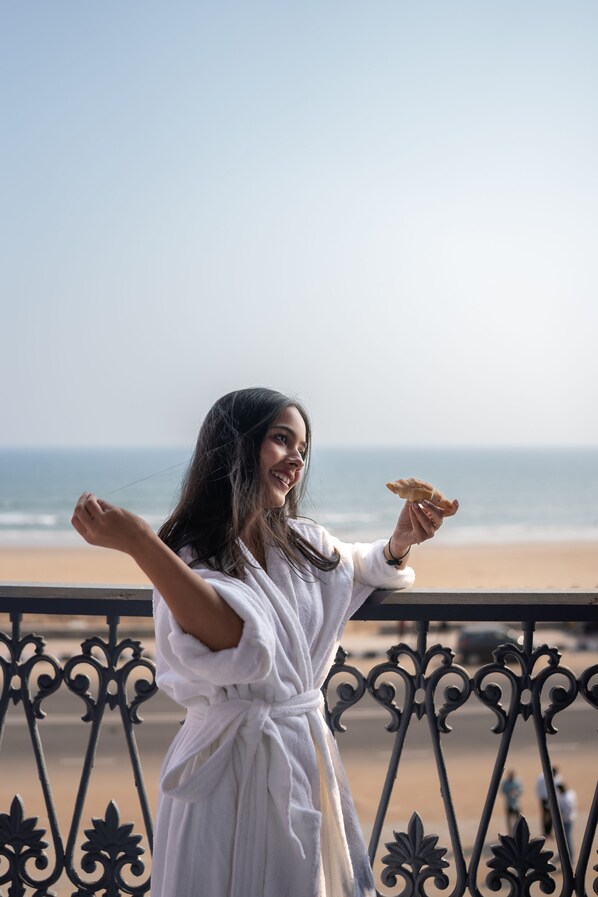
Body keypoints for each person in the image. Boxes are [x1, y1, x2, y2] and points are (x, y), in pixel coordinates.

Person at [71, 387, 454, 897]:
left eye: (302, 447)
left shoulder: (303, 543)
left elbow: (360, 567)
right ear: (235, 447)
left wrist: (400, 542)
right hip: (223, 775)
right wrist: (142, 543)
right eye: (280, 440)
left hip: (296, 757)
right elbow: (242, 645)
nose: (296, 458)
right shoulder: (190, 554)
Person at [536, 765, 563, 838]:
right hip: (544, 798)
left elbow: (560, 788)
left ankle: (549, 831)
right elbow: (538, 788)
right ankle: (545, 831)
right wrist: (542, 797)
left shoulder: (558, 777)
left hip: (554, 799)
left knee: (552, 815)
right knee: (545, 815)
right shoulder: (542, 777)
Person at [557, 782, 577, 859]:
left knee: (567, 840)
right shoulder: (570, 793)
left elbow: (566, 810)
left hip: (566, 820)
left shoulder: (566, 799)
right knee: (564, 839)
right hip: (568, 819)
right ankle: (563, 855)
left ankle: (570, 858)